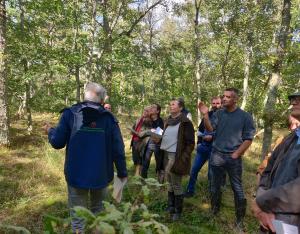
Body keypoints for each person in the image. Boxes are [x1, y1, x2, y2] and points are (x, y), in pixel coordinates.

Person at [43, 82, 127, 233]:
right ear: (102, 100)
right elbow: (118, 149)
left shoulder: (70, 114)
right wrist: (122, 172)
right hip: (101, 175)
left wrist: (50, 130)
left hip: (76, 175)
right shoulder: (108, 118)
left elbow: (57, 142)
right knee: (99, 214)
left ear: (84, 95)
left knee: (77, 217)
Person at [198, 88, 255, 230]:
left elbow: (248, 139)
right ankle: (214, 211)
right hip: (216, 155)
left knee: (237, 188)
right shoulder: (218, 113)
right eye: (223, 96)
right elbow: (210, 128)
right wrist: (205, 116)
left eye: (227, 97)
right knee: (214, 186)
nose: (223, 99)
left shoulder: (245, 117)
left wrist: (236, 154)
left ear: (235, 99)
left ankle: (239, 220)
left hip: (233, 158)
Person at [252, 91, 300, 233]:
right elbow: (266, 171)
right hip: (271, 221)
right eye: (293, 98)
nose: (293, 102)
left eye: (299, 99)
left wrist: (261, 203)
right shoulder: (290, 138)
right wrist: (262, 207)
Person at [160, 98, 195, 221]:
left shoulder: (186, 122)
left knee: (176, 184)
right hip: (166, 155)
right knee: (169, 183)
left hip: (176, 157)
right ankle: (171, 206)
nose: (171, 106)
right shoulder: (168, 120)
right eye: (170, 104)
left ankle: (178, 211)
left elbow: (191, 143)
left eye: (173, 104)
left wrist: (183, 158)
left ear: (181, 108)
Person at [185, 96, 222, 198]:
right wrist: (199, 143)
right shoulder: (208, 114)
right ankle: (190, 190)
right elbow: (200, 130)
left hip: (215, 150)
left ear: (221, 104)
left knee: (212, 175)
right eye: (213, 103)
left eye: (217, 103)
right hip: (203, 148)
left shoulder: (225, 116)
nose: (215, 105)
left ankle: (212, 196)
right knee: (194, 170)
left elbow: (225, 135)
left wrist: (213, 137)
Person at [141, 104, 164, 179]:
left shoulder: (160, 121)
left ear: (157, 111)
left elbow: (158, 135)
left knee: (159, 163)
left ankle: (160, 182)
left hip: (157, 145)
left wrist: (150, 131)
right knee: (145, 163)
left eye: (153, 107)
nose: (151, 108)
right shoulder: (147, 120)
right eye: (151, 107)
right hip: (148, 144)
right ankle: (143, 181)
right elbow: (142, 132)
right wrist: (151, 131)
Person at [130, 106, 152, 176]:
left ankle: (138, 174)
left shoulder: (148, 121)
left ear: (150, 113)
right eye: (144, 110)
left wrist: (133, 131)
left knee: (139, 159)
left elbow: (142, 134)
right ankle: (137, 173)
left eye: (147, 111)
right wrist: (132, 130)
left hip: (141, 142)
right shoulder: (139, 119)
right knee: (135, 158)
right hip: (134, 140)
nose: (145, 112)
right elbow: (134, 127)